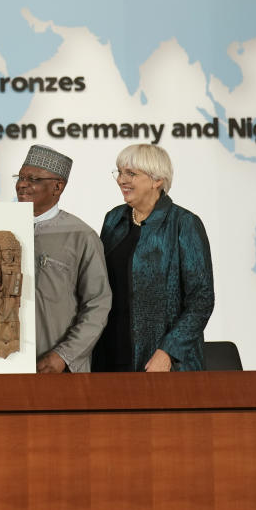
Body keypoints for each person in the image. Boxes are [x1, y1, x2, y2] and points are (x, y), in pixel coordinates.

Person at [92, 144, 214, 372]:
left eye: (131, 174)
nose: (121, 180)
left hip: (164, 364)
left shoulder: (184, 223)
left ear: (157, 180)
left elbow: (201, 300)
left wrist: (169, 351)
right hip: (111, 357)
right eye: (119, 172)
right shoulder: (113, 219)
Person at [15, 144, 112, 373]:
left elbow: (98, 305)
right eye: (19, 177)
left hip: (58, 371)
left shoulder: (81, 236)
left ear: (57, 187)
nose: (21, 184)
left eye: (33, 179)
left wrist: (63, 356)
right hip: (6, 368)